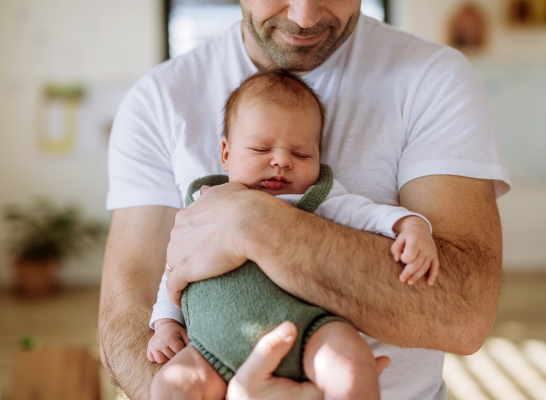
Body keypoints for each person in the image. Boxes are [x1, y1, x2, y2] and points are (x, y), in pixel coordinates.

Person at [99, 1, 511, 399]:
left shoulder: (433, 79)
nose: (304, 16)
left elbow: (463, 314)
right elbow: (127, 313)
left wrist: (256, 225)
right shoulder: (157, 101)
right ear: (226, 152)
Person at [147, 70, 439, 400]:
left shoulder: (318, 198)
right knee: (168, 387)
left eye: (301, 154)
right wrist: (166, 323)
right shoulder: (203, 203)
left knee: (352, 364)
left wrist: (411, 225)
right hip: (210, 349)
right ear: (226, 153)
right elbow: (174, 269)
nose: (282, 161)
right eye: (260, 149)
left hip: (311, 333)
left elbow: (370, 215)